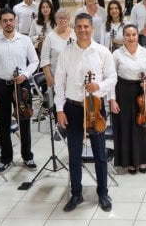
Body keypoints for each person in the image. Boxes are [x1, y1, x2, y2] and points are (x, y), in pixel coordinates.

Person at [56, 13, 116, 213]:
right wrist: (59, 109)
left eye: (86, 26)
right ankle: (76, 193)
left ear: (92, 28)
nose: (82, 30)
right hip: (72, 108)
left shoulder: (102, 51)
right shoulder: (66, 52)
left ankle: (103, 193)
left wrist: (98, 85)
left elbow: (112, 78)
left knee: (99, 154)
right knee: (74, 154)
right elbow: (59, 83)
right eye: (79, 26)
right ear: (75, 28)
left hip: (95, 107)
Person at [0, 9, 40, 173]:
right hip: (0, 85)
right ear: (0, 22)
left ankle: (27, 156)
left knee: (24, 121)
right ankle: (6, 158)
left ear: (15, 21)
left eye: (11, 20)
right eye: (5, 20)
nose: (8, 23)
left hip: (21, 86)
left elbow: (34, 61)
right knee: (3, 124)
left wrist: (25, 75)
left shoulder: (24, 40)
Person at [109, 24, 146, 174]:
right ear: (123, 37)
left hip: (142, 90)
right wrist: (112, 99)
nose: (131, 38)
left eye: (134, 34)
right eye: (128, 35)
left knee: (143, 126)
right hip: (123, 92)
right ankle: (129, 161)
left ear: (138, 35)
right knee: (127, 126)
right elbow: (111, 77)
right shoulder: (116, 54)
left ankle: (143, 160)